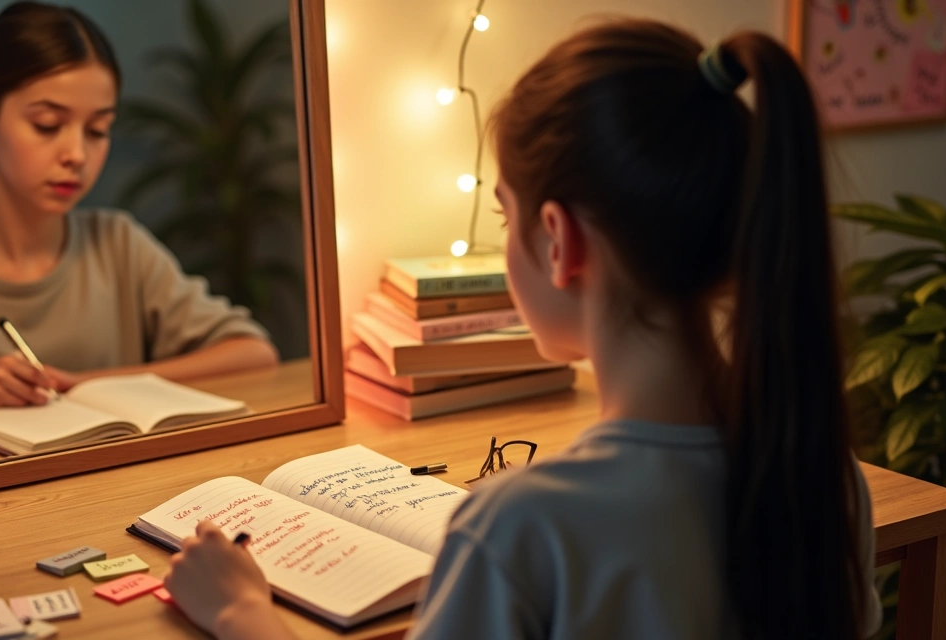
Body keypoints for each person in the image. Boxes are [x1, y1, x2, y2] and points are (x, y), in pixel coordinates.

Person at [162, 17, 884, 640]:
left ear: (558, 241)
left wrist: (240, 611)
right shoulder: (824, 477)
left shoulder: (520, 528)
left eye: (504, 215)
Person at [0, 1, 278, 417]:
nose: (76, 153)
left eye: (97, 130)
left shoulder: (117, 245)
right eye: (47, 125)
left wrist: (86, 386)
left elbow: (252, 352)